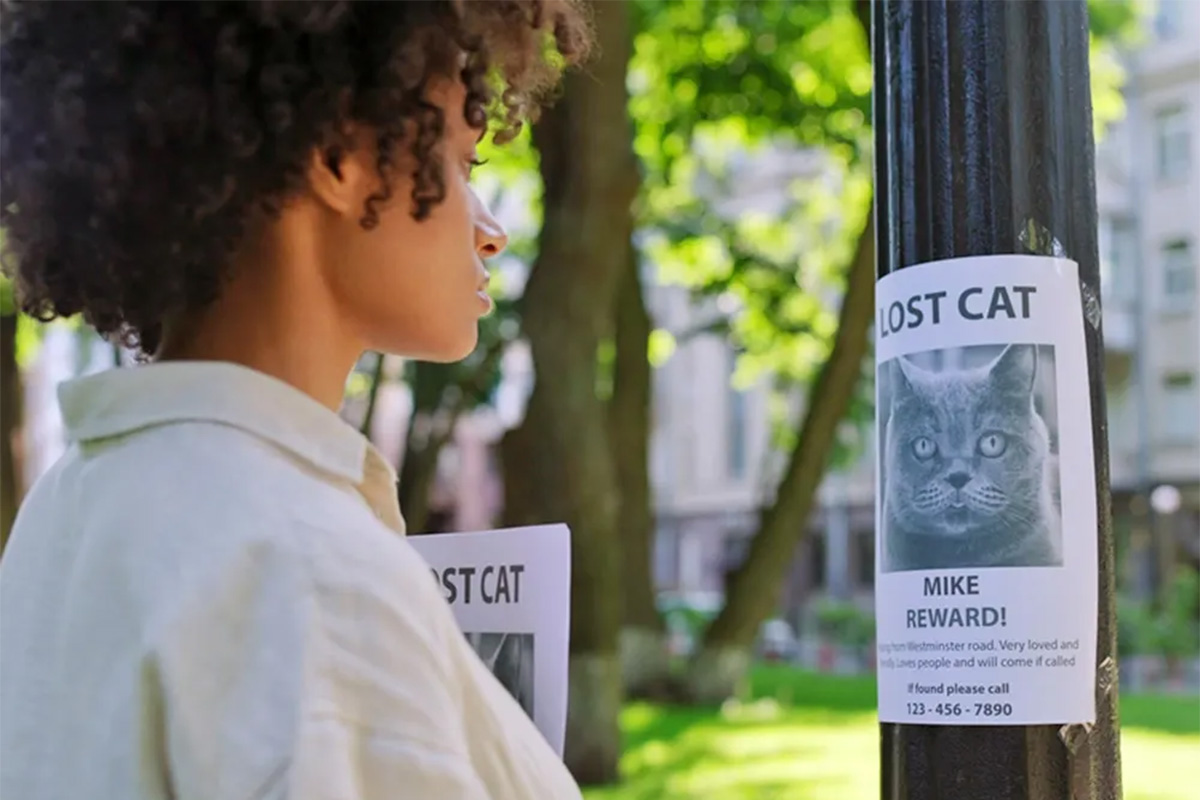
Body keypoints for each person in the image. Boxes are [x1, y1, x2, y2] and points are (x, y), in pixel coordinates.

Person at [0, 2, 592, 798]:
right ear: (339, 155)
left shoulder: (67, 507)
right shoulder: (315, 576)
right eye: (459, 161)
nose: (491, 231)